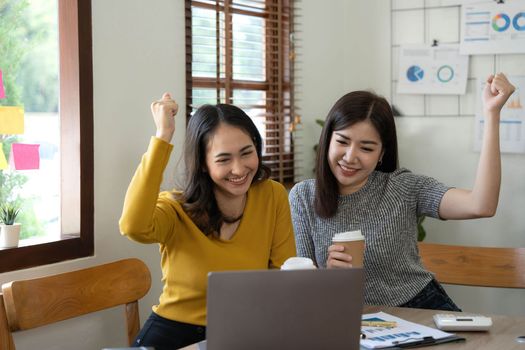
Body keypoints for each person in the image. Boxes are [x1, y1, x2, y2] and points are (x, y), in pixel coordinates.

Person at [289, 73, 515, 311]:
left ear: (381, 155)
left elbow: (481, 205)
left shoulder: (402, 188)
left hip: (420, 307)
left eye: (366, 147)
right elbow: (305, 288)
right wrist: (331, 277)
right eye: (343, 142)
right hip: (353, 316)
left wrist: (492, 114)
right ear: (328, 140)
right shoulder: (303, 197)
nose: (350, 157)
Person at [119, 93, 296, 349]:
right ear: (202, 163)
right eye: (224, 159)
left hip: (242, 329)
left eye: (247, 153)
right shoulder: (176, 207)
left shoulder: (272, 195)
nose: (239, 169)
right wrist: (163, 136)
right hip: (173, 330)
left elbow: (283, 274)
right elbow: (132, 226)